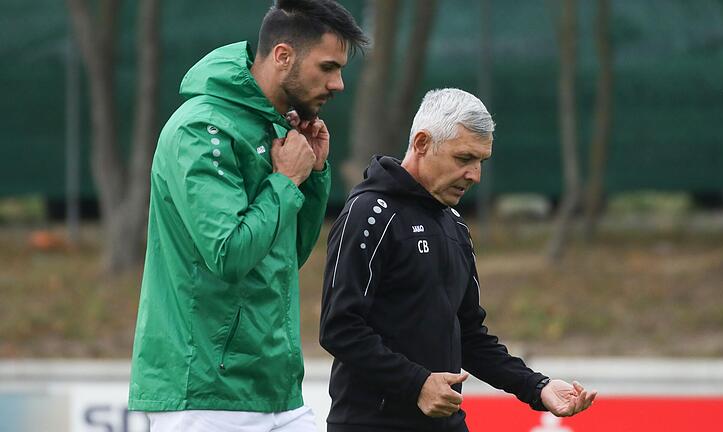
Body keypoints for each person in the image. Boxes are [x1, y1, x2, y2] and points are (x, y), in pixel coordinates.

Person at [128, 1, 367, 431]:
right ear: (282, 55)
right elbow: (229, 253)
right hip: (203, 395)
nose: (339, 84)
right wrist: (286, 182)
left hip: (275, 389)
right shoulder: (201, 129)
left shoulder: (276, 127)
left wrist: (311, 176)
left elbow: (288, 254)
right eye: (328, 67)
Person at [319, 88, 597, 432]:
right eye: (464, 159)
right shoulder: (369, 213)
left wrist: (536, 387)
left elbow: (469, 336)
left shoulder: (453, 225)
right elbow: (339, 329)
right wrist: (417, 383)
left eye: (481, 162)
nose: (475, 175)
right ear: (421, 143)